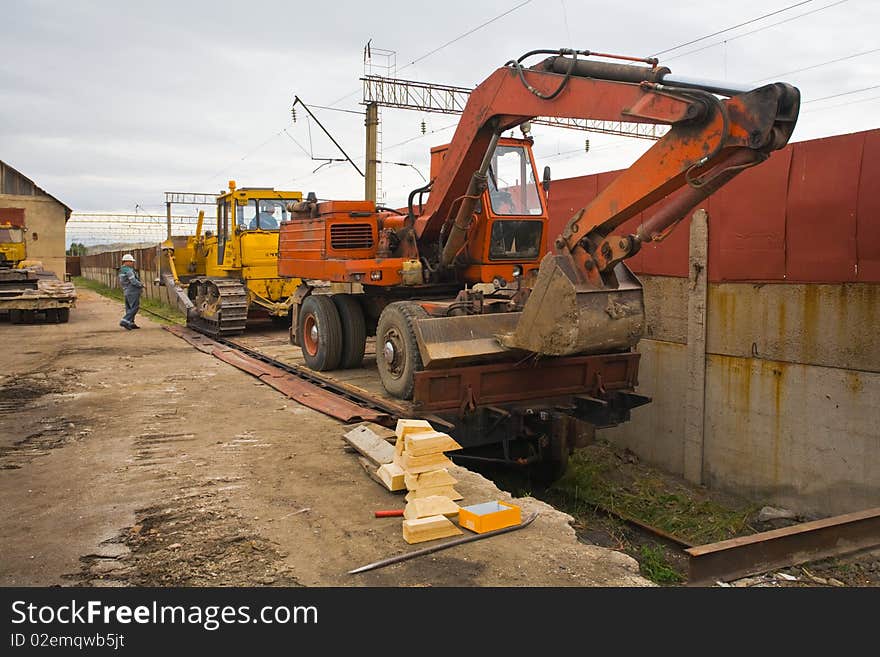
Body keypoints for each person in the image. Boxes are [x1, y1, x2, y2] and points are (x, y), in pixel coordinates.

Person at [118, 253, 144, 330]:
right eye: (131, 261)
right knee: (135, 307)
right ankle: (125, 320)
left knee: (129, 307)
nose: (132, 263)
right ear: (126, 261)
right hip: (132, 291)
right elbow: (133, 281)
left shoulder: (121, 270)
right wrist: (141, 285)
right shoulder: (128, 270)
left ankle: (131, 323)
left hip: (126, 290)